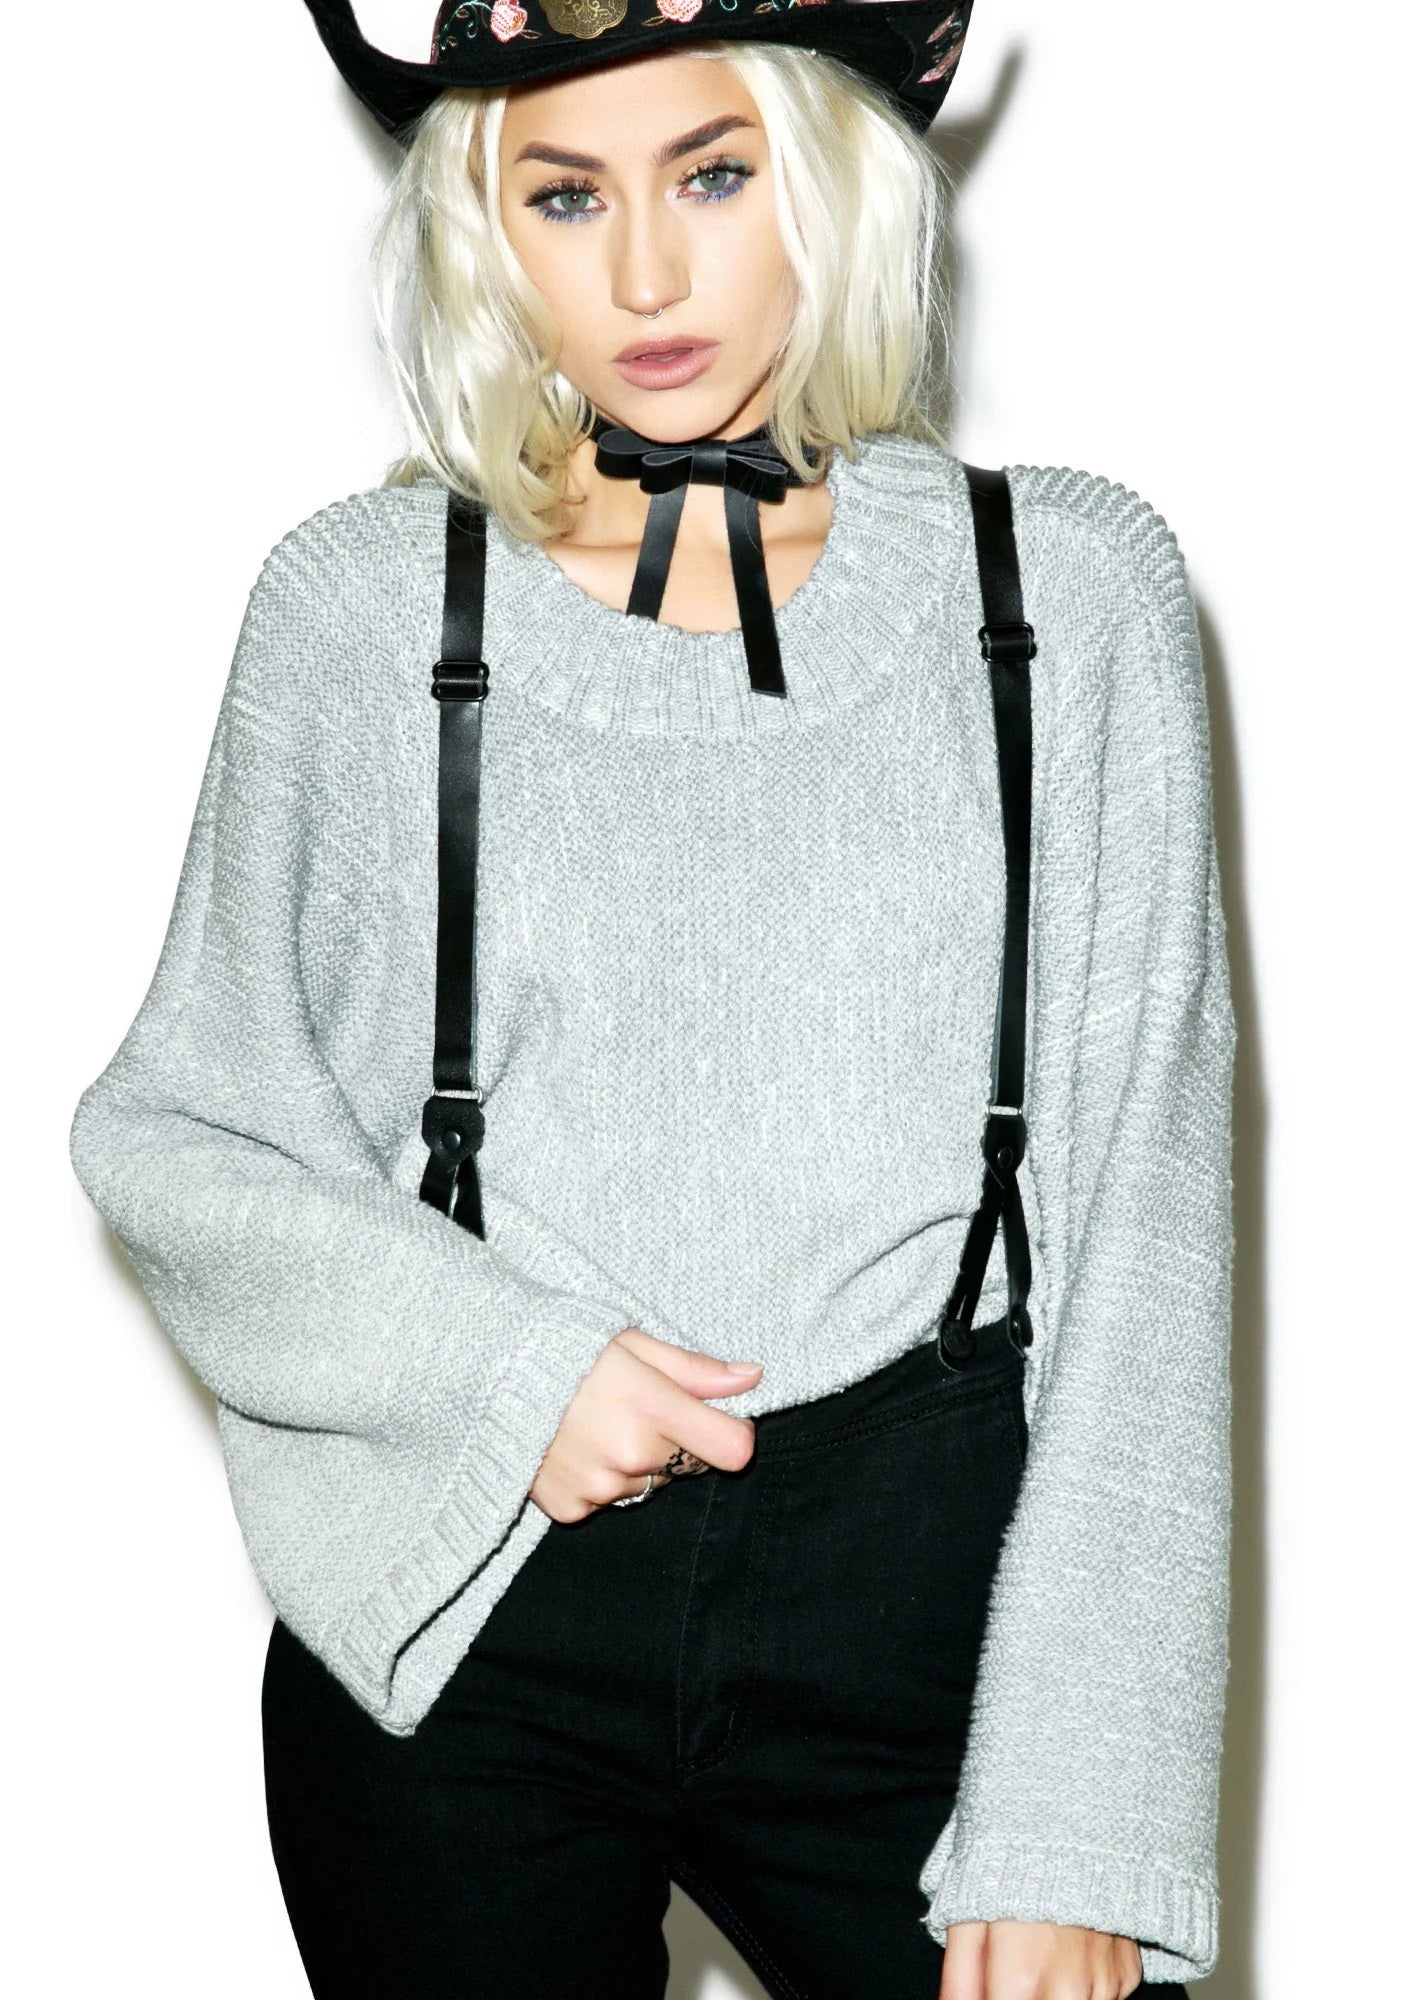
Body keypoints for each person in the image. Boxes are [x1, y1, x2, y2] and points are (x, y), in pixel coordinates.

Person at [67, 4, 1235, 1996]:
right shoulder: (364, 608)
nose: (640, 275)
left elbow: (1147, 1234)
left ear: (828, 175)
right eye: (563, 196)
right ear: (484, 225)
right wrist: (507, 1372)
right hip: (471, 1622)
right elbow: (180, 1132)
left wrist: (1082, 1801)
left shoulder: (1063, 594)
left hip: (929, 1615)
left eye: (710, 174)